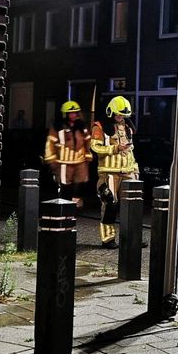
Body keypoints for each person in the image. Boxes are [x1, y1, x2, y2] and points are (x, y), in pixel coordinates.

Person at [90, 96, 138, 249]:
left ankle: (131, 236)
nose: (120, 117)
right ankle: (108, 239)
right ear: (110, 111)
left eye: (123, 115)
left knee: (132, 206)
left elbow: (131, 151)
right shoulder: (100, 127)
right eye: (118, 114)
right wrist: (115, 148)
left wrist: (135, 169)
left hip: (128, 172)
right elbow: (95, 148)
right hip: (109, 173)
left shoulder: (128, 127)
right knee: (109, 204)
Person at [43, 100, 92, 212]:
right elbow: (50, 144)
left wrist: (88, 154)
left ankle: (76, 207)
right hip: (64, 162)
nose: (73, 115)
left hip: (80, 162)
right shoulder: (57, 127)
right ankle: (65, 208)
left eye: (75, 112)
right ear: (65, 114)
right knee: (66, 186)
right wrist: (51, 160)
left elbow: (88, 141)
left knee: (81, 184)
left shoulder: (82, 126)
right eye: (71, 113)